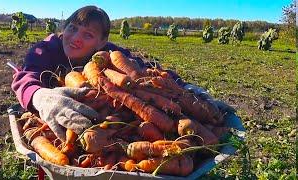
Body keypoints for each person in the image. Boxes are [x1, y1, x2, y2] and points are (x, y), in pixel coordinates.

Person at [12, 5, 232, 141]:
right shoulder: (46, 49)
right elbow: (26, 77)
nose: (76, 38)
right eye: (72, 28)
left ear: (102, 42)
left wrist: (188, 91)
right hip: (61, 121)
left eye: (88, 34)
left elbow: (146, 72)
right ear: (64, 28)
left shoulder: (111, 54)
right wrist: (40, 97)